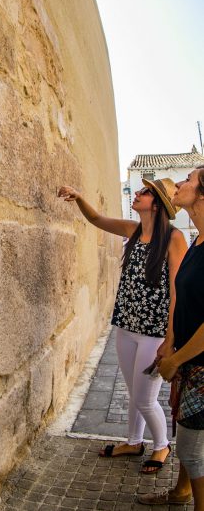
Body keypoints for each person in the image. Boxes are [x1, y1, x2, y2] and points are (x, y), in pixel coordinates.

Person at [58, 178, 187, 473]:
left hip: (154, 334)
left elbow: (177, 289)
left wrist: (170, 338)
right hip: (126, 326)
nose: (137, 194)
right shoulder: (134, 229)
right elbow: (95, 218)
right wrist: (78, 195)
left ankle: (162, 445)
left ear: (156, 204)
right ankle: (133, 441)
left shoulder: (174, 238)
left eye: (143, 192)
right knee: (135, 393)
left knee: (145, 397)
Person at [138, 165, 204, 508]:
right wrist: (173, 345)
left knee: (195, 451)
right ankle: (181, 492)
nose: (180, 182)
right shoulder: (196, 239)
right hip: (190, 360)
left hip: (201, 366)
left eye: (189, 180)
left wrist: (176, 358)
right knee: (189, 433)